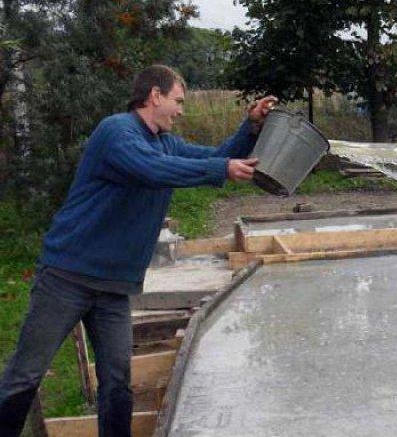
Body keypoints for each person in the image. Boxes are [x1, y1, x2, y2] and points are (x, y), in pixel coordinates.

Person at [0, 65, 277, 437]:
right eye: (177, 101)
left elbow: (216, 155)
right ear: (154, 96)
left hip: (115, 287)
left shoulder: (166, 143)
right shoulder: (116, 132)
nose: (181, 110)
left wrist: (251, 128)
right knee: (26, 374)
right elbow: (152, 169)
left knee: (117, 382)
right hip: (68, 277)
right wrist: (220, 168)